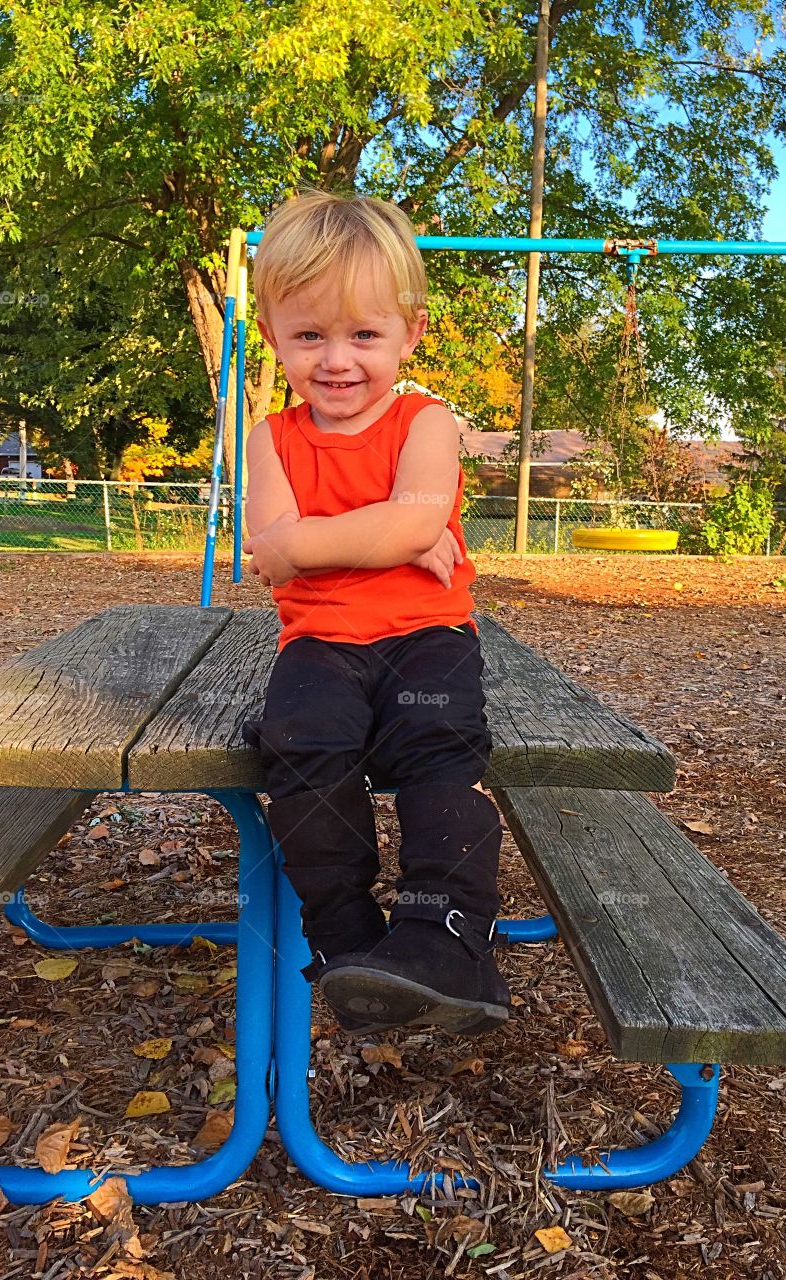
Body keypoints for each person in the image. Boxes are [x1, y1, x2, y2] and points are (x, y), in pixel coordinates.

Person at [242, 190, 509, 1037]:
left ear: (411, 333)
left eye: (365, 334)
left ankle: (446, 938)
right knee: (301, 745)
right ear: (274, 334)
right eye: (309, 335)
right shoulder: (269, 437)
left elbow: (398, 523)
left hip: (426, 635)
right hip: (321, 640)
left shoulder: (427, 420)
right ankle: (349, 940)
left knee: (439, 756)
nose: (337, 359)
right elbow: (267, 544)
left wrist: (359, 536)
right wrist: (385, 534)